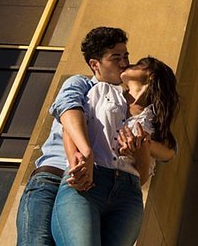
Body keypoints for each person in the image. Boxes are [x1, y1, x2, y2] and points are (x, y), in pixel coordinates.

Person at [16, 27, 131, 246]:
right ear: (95, 64)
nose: (124, 62)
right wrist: (85, 151)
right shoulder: (81, 84)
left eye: (125, 55)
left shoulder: (126, 100)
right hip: (51, 179)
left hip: (94, 186)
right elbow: (67, 108)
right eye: (115, 57)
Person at [51, 57, 179, 246]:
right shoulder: (102, 90)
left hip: (128, 194)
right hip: (90, 181)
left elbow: (165, 156)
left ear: (151, 75)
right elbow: (70, 127)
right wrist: (75, 160)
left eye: (139, 64)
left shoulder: (154, 121)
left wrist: (142, 147)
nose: (128, 64)